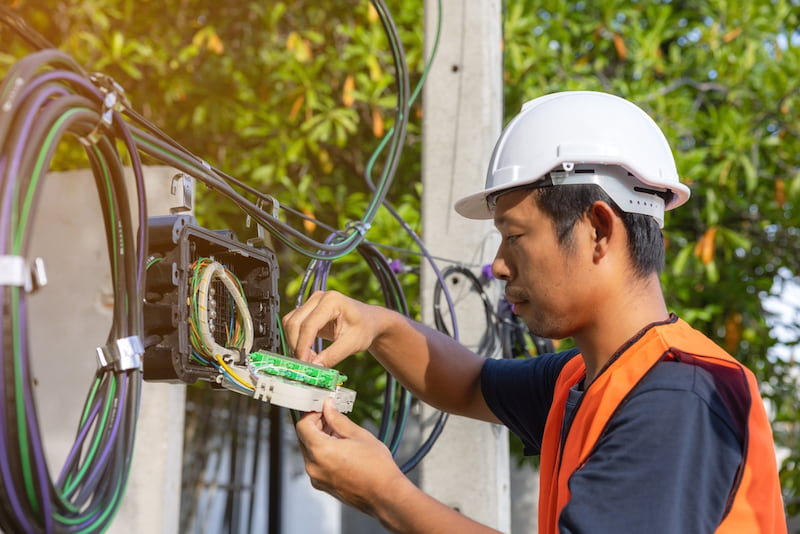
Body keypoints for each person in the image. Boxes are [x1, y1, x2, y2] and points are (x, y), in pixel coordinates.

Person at [283, 91, 787, 533]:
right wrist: (376, 324)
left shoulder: (677, 398)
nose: (499, 265)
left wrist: (386, 495)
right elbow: (469, 383)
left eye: (515, 236)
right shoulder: (589, 377)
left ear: (598, 230)